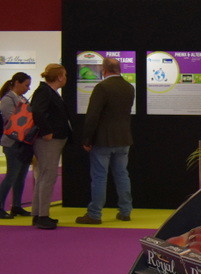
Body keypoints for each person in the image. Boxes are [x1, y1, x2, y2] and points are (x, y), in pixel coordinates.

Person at [76, 57, 134, 225]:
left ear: (104, 70)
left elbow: (92, 116)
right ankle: (125, 211)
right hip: (124, 138)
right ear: (119, 69)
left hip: (103, 139)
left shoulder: (102, 87)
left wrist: (87, 139)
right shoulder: (129, 87)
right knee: (122, 175)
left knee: (100, 177)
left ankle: (95, 214)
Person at [30, 64, 72, 230]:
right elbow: (37, 111)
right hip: (48, 141)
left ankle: (38, 213)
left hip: (53, 139)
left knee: (44, 176)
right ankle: (42, 215)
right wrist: (46, 131)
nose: (66, 78)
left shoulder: (48, 92)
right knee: (48, 176)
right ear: (59, 77)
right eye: (65, 75)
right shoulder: (44, 92)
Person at [0, 71, 34, 218]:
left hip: (24, 143)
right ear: (17, 83)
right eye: (26, 85)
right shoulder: (7, 100)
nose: (28, 88)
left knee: (21, 176)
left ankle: (17, 206)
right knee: (11, 176)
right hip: (12, 143)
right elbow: (11, 121)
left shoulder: (23, 99)